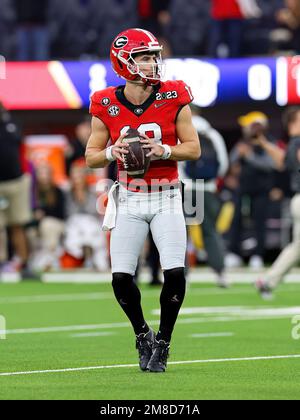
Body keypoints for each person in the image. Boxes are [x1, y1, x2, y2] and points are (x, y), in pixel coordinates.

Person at [86, 28, 200, 373]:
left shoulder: (173, 94)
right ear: (125, 61)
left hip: (166, 195)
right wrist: (111, 150)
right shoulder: (105, 101)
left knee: (175, 273)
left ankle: (163, 342)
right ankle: (142, 334)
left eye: (154, 56)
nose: (153, 62)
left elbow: (193, 148)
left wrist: (165, 149)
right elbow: (91, 156)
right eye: (145, 56)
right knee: (121, 278)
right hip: (130, 198)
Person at [180, 106, 229, 287]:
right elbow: (223, 164)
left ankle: (182, 276)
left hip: (186, 189)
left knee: (180, 234)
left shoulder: (181, 131)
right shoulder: (213, 134)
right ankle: (220, 273)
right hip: (207, 189)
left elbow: (177, 162)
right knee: (210, 232)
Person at [255, 107, 300, 299]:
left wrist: (264, 144)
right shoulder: (297, 142)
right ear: (294, 121)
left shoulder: (292, 144)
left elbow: (281, 161)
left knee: (297, 247)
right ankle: (267, 281)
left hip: (297, 199)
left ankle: (267, 281)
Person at [225, 112, 276, 270]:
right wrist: (239, 155)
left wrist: (249, 156)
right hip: (243, 189)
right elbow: (231, 161)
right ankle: (234, 253)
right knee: (237, 221)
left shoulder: (268, 143)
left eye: (250, 125)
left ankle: (258, 255)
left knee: (259, 223)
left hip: (261, 190)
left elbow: (271, 165)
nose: (246, 128)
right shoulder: (243, 142)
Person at [0, 102, 32, 279]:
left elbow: (22, 151)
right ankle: (1, 263)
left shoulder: (12, 125)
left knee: (18, 225)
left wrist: (26, 173)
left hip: (16, 182)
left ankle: (24, 265)